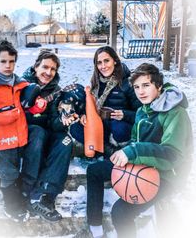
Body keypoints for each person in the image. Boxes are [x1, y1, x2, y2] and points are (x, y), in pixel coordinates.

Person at [74, 63, 193, 238]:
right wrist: (125, 152)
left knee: (120, 212)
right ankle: (96, 229)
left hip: (166, 175)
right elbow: (135, 142)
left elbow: (172, 155)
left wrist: (133, 152)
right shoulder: (142, 110)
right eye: (137, 87)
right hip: (143, 165)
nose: (140, 91)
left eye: (146, 85)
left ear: (158, 86)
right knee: (94, 170)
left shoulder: (175, 113)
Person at [0, 40, 43, 222]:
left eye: (11, 61)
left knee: (16, 171)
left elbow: (25, 107)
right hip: (3, 140)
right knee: (9, 174)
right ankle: (11, 208)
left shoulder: (19, 84)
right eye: (3, 61)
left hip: (20, 137)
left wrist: (37, 107)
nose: (8, 65)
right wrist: (7, 117)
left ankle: (18, 198)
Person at [21, 50, 80, 222]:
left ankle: (46, 196)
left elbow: (54, 121)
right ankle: (29, 192)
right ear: (36, 67)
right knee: (38, 134)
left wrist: (64, 121)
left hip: (47, 132)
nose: (48, 72)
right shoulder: (22, 85)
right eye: (45, 67)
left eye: (53, 69)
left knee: (66, 140)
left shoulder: (56, 90)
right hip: (27, 133)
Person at [69, 45, 141, 157]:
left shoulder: (128, 83)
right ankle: (109, 150)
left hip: (119, 125)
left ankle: (99, 148)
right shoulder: (96, 82)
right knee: (75, 128)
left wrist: (125, 115)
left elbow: (141, 113)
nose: (103, 66)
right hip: (100, 122)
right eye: (99, 62)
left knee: (119, 129)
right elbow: (90, 106)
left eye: (106, 61)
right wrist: (84, 114)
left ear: (115, 61)